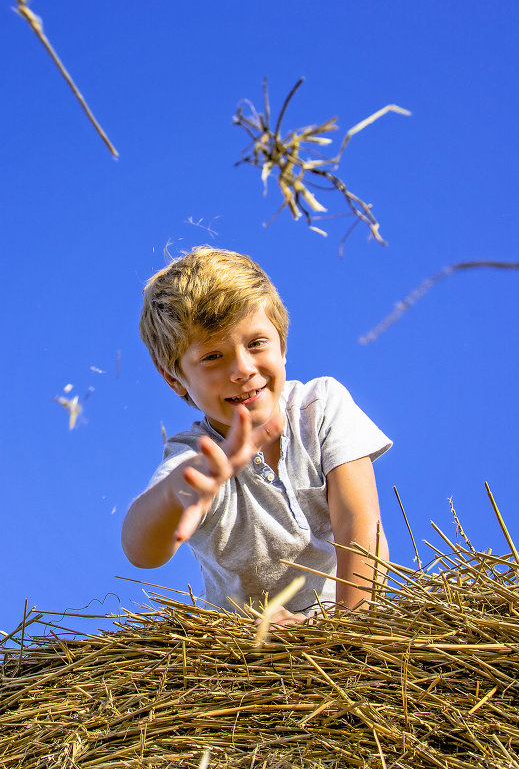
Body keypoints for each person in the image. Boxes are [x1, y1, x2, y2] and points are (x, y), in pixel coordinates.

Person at [122, 247, 391, 623]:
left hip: (345, 622)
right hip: (251, 651)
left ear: (281, 342)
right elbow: (140, 550)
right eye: (213, 357)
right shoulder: (198, 458)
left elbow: (358, 520)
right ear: (175, 379)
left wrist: (351, 633)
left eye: (256, 343)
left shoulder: (320, 405)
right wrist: (179, 492)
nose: (242, 369)